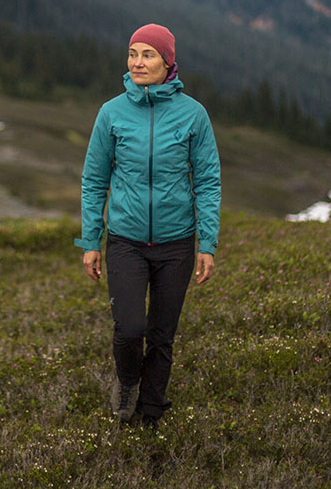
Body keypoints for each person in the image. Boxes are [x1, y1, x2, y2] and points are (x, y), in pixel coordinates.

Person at [76, 23, 221, 429]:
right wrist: (91, 241)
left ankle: (151, 412)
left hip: (177, 243)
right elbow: (94, 179)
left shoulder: (194, 115)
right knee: (129, 329)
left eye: (148, 54)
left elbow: (208, 181)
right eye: (133, 53)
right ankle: (126, 382)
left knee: (161, 334)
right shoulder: (111, 113)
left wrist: (206, 243)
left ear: (167, 61)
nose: (137, 62)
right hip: (125, 241)